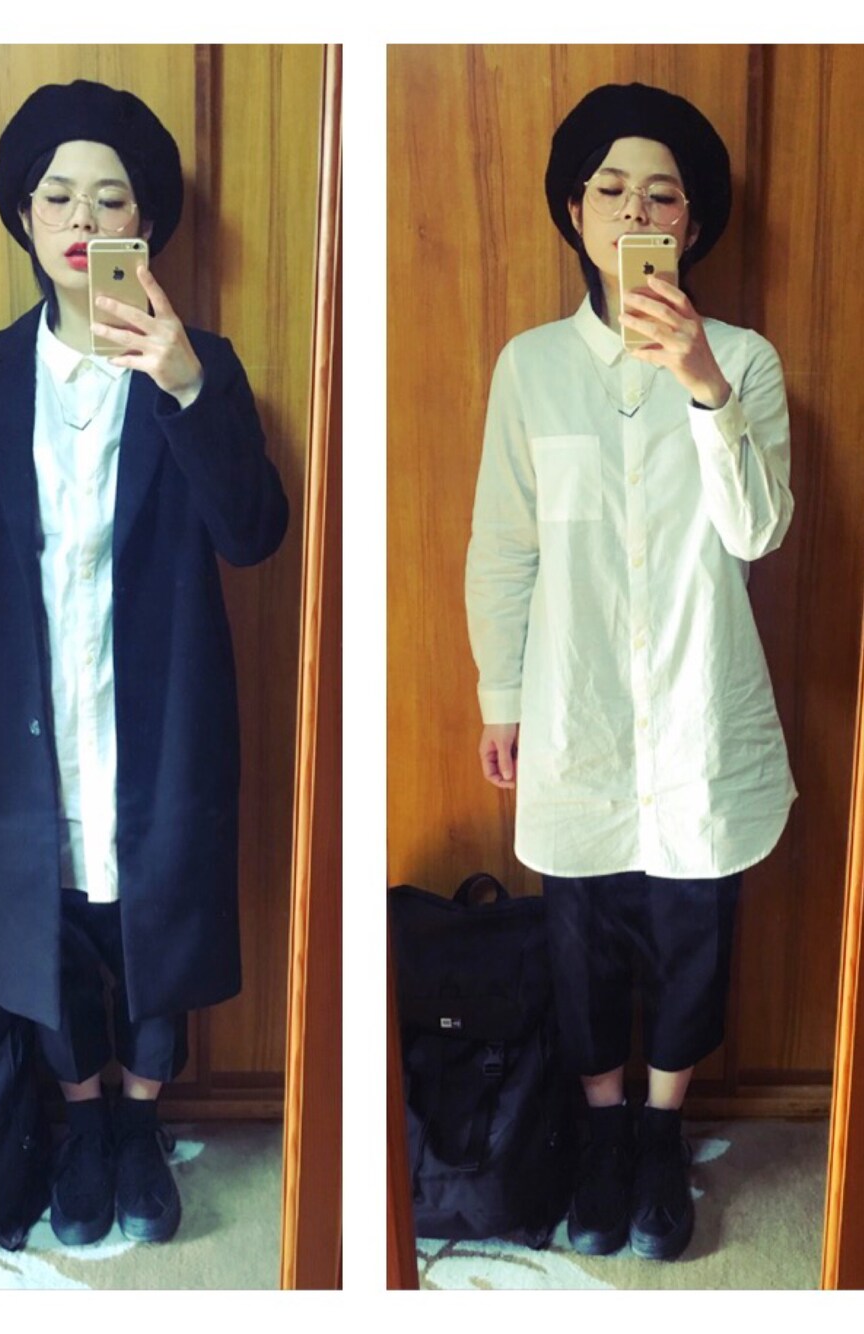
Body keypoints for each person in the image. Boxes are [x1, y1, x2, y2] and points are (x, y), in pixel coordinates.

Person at [0, 80, 288, 1247]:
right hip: (22, 715)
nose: (83, 217)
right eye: (58, 195)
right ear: (23, 216)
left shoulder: (200, 364)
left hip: (157, 710)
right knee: (48, 918)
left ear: (146, 223)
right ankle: (81, 1117)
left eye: (110, 197)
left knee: (154, 913)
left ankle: (139, 1116)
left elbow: (253, 531)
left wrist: (183, 382)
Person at [465, 82, 795, 1262]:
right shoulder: (531, 366)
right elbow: (503, 544)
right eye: (611, 190)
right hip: (579, 702)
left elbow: (757, 529)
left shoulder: (743, 360)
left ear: (691, 226)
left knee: (696, 923)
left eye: (661, 196)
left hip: (700, 703)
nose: (635, 212)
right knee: (582, 926)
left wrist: (703, 384)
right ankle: (602, 1127)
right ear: (575, 210)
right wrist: (502, 693)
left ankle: (660, 1129)